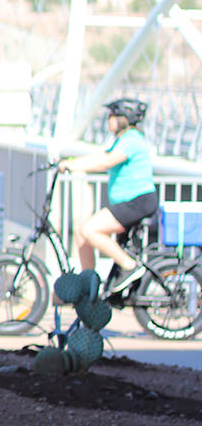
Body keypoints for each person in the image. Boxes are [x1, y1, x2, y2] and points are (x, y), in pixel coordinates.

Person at [61, 97, 158, 294]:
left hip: (138, 201)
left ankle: (129, 266)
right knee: (82, 235)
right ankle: (88, 286)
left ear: (124, 118)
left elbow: (106, 163)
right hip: (128, 202)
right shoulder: (122, 140)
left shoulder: (132, 140)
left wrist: (72, 166)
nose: (108, 121)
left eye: (111, 116)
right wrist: (70, 161)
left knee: (90, 229)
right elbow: (100, 156)